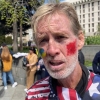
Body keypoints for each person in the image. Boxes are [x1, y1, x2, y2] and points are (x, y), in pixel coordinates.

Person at [25, 2, 100, 100]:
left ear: (80, 40)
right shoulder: (33, 95)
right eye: (43, 40)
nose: (51, 50)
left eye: (61, 37)